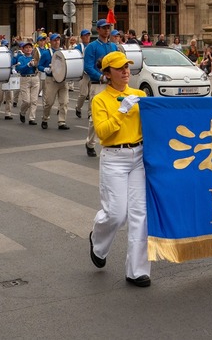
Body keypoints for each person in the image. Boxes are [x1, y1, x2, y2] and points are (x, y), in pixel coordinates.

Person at [88, 50, 150, 288]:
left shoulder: (139, 94)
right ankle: (98, 241)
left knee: (139, 215)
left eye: (127, 67)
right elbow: (103, 132)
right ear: (107, 73)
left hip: (139, 156)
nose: (126, 71)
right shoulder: (100, 100)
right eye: (119, 68)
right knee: (116, 214)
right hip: (114, 157)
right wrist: (122, 111)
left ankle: (137, 270)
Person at [83, 19, 119, 157]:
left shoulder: (113, 46)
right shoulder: (92, 47)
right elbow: (88, 67)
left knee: (114, 113)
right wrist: (100, 77)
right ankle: (90, 143)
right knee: (94, 117)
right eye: (103, 28)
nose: (106, 30)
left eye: (108, 28)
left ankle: (111, 141)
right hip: (98, 85)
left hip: (112, 85)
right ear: (97, 30)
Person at [73, 28, 92, 119]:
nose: (87, 37)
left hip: (91, 73)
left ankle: (90, 113)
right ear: (81, 37)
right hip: (83, 73)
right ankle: (78, 107)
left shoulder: (92, 46)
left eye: (88, 35)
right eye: (85, 35)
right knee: (84, 94)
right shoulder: (78, 47)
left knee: (92, 94)